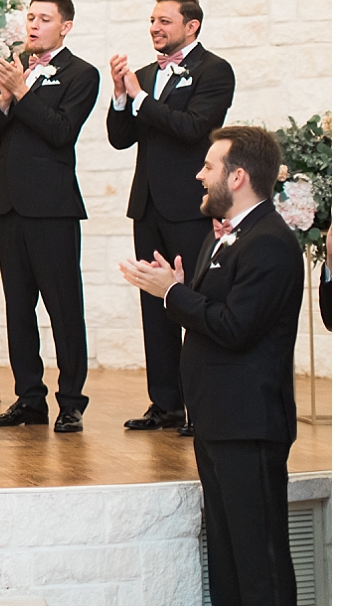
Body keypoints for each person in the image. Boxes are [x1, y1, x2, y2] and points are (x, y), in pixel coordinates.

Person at [120, 126, 303, 605]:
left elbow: (236, 328)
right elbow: (211, 312)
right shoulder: (222, 238)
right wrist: (178, 288)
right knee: (225, 560)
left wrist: (174, 294)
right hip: (218, 420)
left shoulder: (269, 241)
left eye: (209, 167)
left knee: (258, 562)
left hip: (249, 425)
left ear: (238, 176)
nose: (199, 176)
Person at [108, 0, 235, 436]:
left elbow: (192, 128)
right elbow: (120, 139)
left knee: (193, 303)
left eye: (165, 20)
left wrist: (141, 98)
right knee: (154, 305)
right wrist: (122, 98)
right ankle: (164, 405)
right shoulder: (143, 76)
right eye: (152, 20)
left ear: (192, 26)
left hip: (191, 207)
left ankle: (202, 408)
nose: (155, 28)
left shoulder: (214, 71)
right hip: (148, 207)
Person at [0, 0, 99, 433]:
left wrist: (22, 92)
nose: (33, 25)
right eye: (30, 17)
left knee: (63, 306)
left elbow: (61, 132)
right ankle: (29, 399)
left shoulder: (82, 74)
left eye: (44, 19)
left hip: (52, 208)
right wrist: (5, 98)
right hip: (8, 204)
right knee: (18, 306)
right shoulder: (13, 70)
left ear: (65, 26)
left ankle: (71, 402)